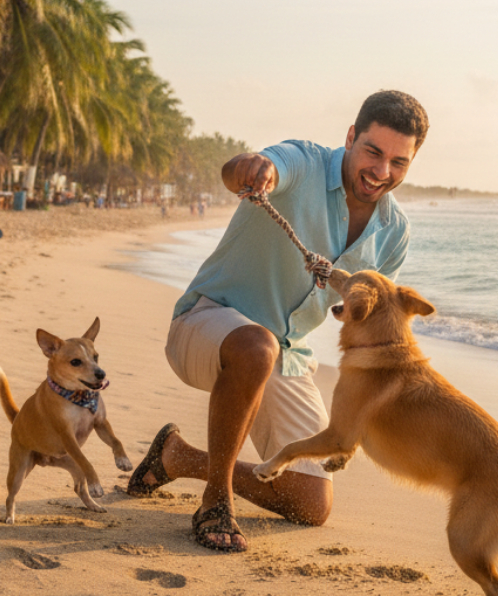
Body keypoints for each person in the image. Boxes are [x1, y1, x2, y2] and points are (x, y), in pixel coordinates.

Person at [128, 90, 429, 552]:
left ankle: (179, 457)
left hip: (287, 357)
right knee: (257, 344)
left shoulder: (395, 232)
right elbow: (252, 168)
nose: (382, 172)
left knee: (311, 503)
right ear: (351, 137)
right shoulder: (303, 163)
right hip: (204, 325)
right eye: (373, 151)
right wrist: (252, 169)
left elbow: (371, 325)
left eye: (399, 162)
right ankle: (215, 501)